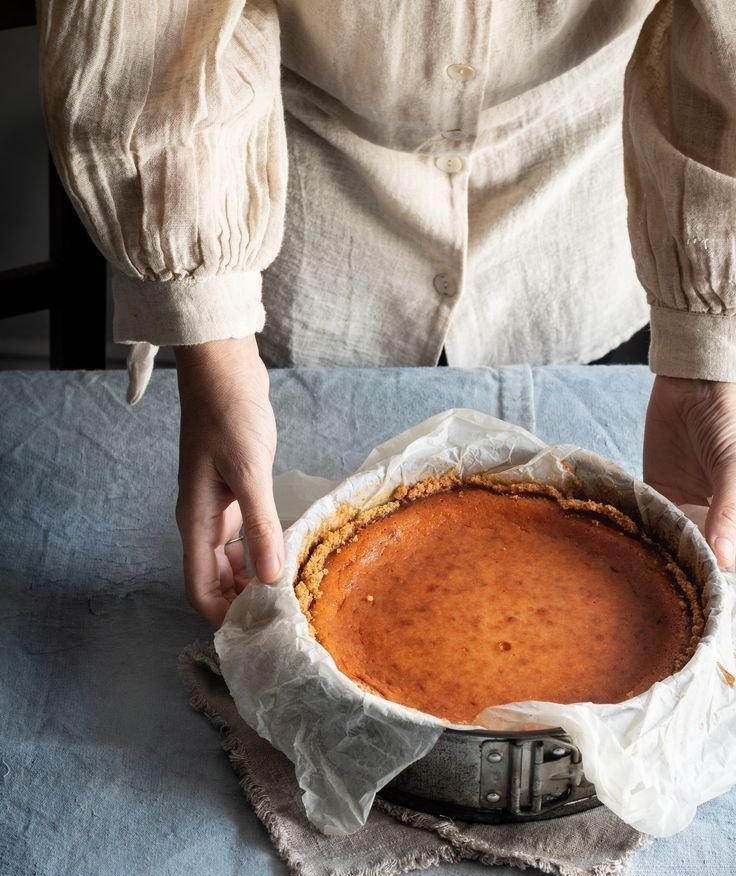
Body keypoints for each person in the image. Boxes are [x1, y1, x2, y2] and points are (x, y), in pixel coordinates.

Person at [37, 1, 736, 627]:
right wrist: (213, 340)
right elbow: (156, 32)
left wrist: (712, 352)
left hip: (580, 235)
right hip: (290, 234)